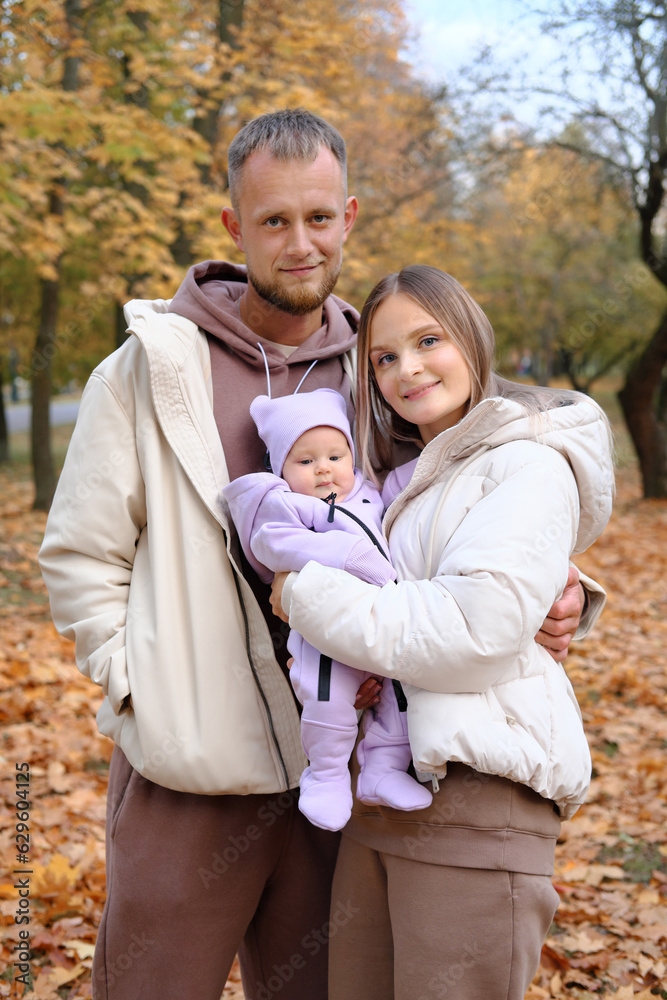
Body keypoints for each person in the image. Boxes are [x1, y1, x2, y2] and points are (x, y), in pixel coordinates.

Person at [38, 110, 600, 1000]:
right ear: (234, 227)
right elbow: (79, 554)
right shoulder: (149, 370)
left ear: (347, 214)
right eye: (272, 221)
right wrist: (138, 686)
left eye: (318, 219)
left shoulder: (378, 372)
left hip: (344, 774)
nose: (299, 244)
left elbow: (452, 508)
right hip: (191, 771)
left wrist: (564, 588)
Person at [270, 264, 615, 1000]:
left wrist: (303, 594)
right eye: (384, 358)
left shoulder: (524, 462)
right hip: (381, 804)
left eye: (428, 340)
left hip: (477, 801)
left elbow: (472, 629)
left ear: (471, 337)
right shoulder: (405, 476)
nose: (408, 368)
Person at [223, 387, 432, 832]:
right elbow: (272, 544)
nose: (324, 469)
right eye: (305, 461)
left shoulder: (371, 491)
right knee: (330, 700)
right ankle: (327, 775)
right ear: (279, 468)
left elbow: (424, 477)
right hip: (325, 636)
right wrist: (345, 552)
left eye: (336, 456)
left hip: (385, 622)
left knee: (400, 698)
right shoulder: (287, 506)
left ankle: (382, 770)